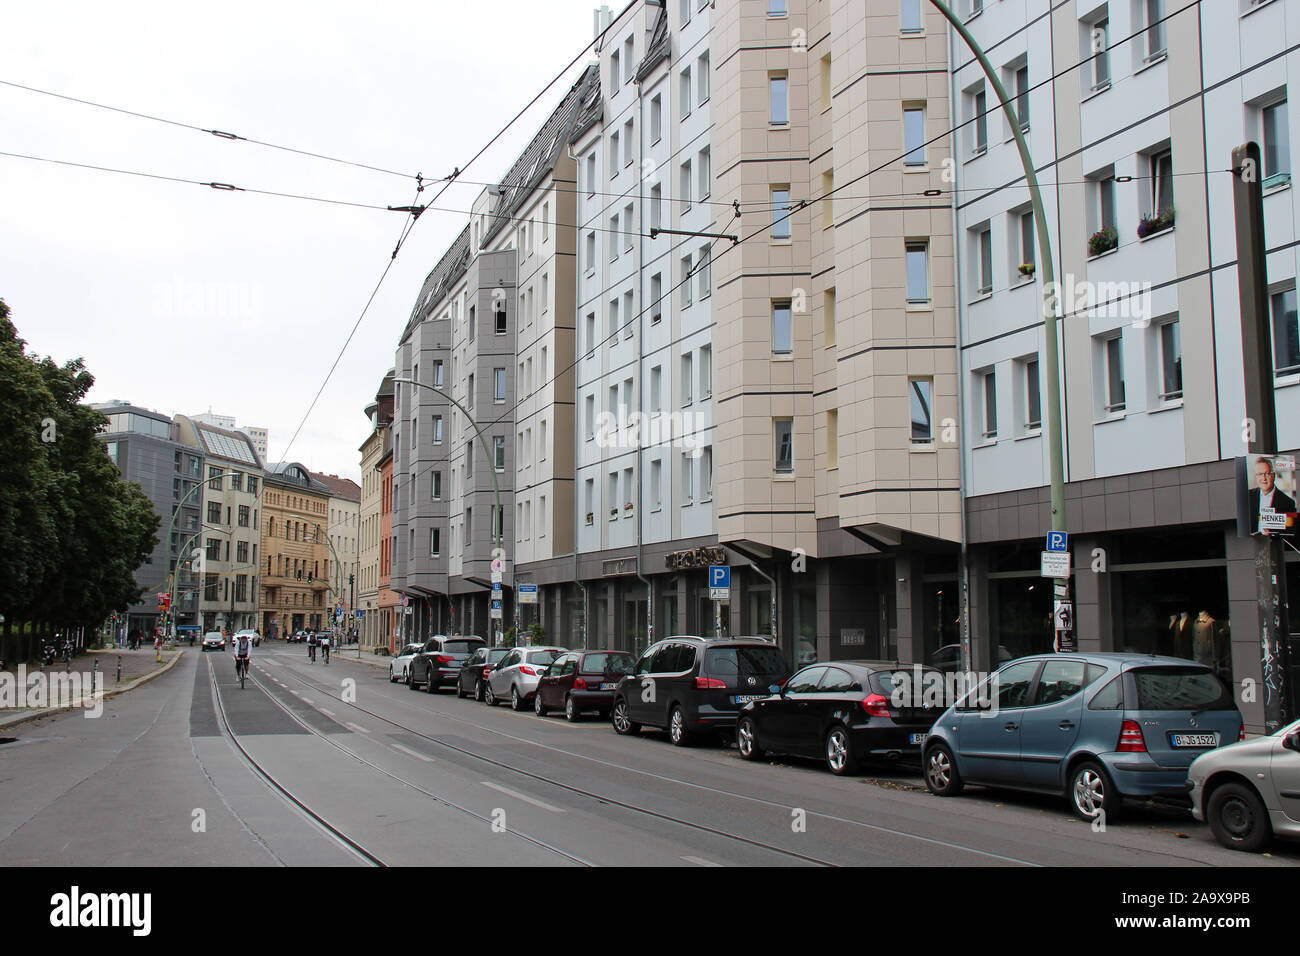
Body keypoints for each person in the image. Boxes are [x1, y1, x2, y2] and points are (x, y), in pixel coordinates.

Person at [1250, 457, 1296, 534]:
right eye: (1260, 474)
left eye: (1267, 473)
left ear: (1273, 475)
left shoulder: (1288, 502)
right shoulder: (1248, 497)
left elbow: (1290, 530)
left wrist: (1273, 533)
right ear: (1256, 476)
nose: (1264, 478)